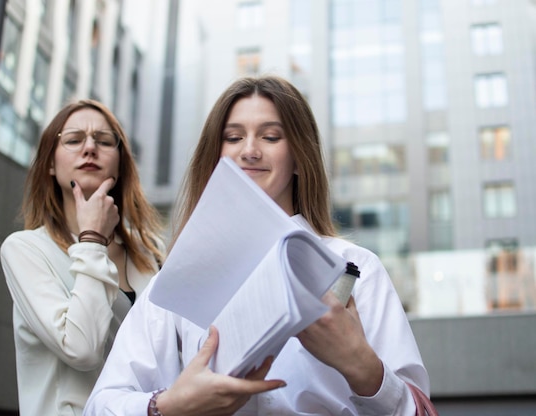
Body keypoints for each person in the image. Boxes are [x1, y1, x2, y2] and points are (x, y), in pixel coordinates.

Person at [83, 76, 430, 415]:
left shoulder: (356, 267)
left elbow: (417, 410)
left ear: (298, 156)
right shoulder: (176, 281)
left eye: (270, 136)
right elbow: (100, 405)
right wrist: (170, 405)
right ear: (216, 155)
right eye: (233, 137)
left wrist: (361, 364)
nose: (249, 151)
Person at [0, 99, 164, 416]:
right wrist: (92, 239)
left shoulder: (152, 250)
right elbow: (81, 348)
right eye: (74, 140)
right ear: (50, 162)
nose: (89, 148)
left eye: (104, 141)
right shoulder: (24, 249)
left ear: (120, 163)